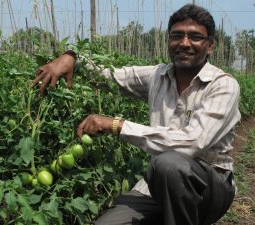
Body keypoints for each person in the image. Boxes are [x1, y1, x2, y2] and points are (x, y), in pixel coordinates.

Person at [32, 4, 240, 225]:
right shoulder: (157, 76)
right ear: (169, 41)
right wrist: (72, 57)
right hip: (155, 187)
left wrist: (117, 125)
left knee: (168, 164)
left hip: (209, 190)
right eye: (177, 36)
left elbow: (193, 143)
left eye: (195, 37)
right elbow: (107, 77)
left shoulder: (223, 86)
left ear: (209, 46)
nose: (185, 43)